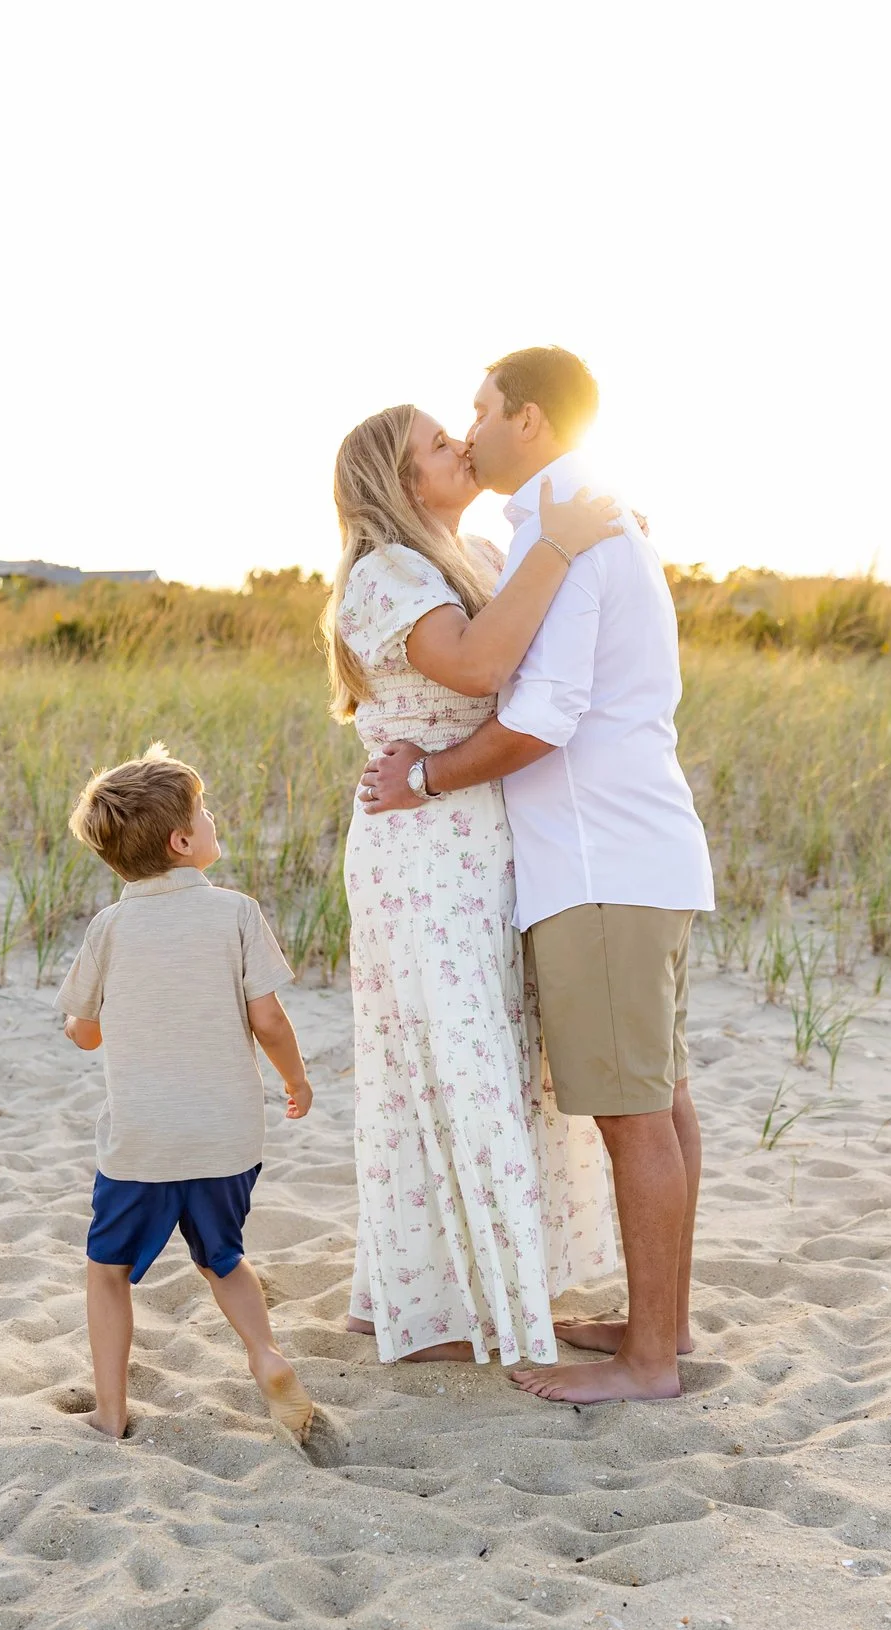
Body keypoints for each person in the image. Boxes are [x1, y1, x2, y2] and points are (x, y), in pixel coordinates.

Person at [361, 346, 714, 1404]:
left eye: (477, 411)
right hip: (634, 849)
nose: (468, 432)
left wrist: (427, 775)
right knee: (660, 1097)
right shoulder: (569, 524)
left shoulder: (566, 529)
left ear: (528, 418)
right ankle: (661, 1325)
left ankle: (651, 1360)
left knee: (632, 1114)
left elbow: (543, 714)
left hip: (598, 860)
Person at [325, 403, 626, 1365]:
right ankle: (438, 1309)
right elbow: (479, 662)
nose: (460, 443)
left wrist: (596, 547)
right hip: (420, 849)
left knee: (488, 1057)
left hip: (481, 838)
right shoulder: (385, 573)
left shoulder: (477, 559)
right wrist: (563, 543)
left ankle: (430, 1289)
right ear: (400, 480)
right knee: (449, 1058)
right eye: (436, 443)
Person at [57, 745, 319, 1441]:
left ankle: (111, 1413)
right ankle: (265, 1355)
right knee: (221, 1257)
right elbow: (269, 1019)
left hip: (142, 1142)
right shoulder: (236, 913)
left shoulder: (109, 928)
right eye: (204, 813)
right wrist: (295, 1079)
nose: (211, 820)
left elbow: (84, 1033)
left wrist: (97, 1023)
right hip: (225, 1136)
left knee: (107, 1270)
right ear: (182, 842)